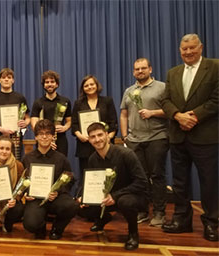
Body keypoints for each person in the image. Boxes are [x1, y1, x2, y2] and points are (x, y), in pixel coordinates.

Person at [161, 33, 218, 241]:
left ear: (201, 47)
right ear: (180, 51)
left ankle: (212, 222)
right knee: (180, 182)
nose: (188, 52)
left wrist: (194, 116)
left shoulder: (215, 67)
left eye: (192, 48)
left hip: (205, 136)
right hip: (178, 136)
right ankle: (181, 220)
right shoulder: (173, 73)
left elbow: (216, 99)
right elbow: (165, 100)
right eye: (184, 49)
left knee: (209, 182)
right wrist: (177, 116)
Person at [79, 122, 149, 250]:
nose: (97, 139)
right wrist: (82, 197)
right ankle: (103, 218)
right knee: (80, 206)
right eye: (93, 137)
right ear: (89, 140)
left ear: (107, 135)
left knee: (125, 202)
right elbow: (90, 182)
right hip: (108, 198)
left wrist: (115, 196)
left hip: (132, 196)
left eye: (100, 135)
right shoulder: (92, 159)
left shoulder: (126, 154)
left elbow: (142, 182)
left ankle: (133, 233)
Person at [120, 58, 169, 226]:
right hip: (134, 140)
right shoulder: (129, 90)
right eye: (136, 69)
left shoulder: (162, 87)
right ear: (133, 72)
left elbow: (171, 111)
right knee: (140, 178)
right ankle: (142, 210)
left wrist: (152, 112)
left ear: (150, 69)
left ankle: (159, 212)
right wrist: (125, 136)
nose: (140, 71)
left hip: (157, 137)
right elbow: (124, 114)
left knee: (157, 176)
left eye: (143, 68)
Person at [22, 119, 79, 240]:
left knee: (72, 205)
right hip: (36, 199)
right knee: (30, 224)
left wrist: (58, 192)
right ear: (36, 137)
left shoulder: (61, 158)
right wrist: (25, 193)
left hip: (56, 198)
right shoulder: (27, 158)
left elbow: (70, 179)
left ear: (53, 137)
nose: (44, 137)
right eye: (41, 134)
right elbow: (22, 181)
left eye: (48, 134)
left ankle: (57, 229)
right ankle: (40, 227)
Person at [71, 75, 117, 191]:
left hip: (105, 145)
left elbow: (113, 122)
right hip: (85, 145)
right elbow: (74, 124)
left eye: (92, 84)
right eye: (86, 85)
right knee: (87, 174)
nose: (89, 87)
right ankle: (88, 199)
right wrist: (79, 135)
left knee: (107, 173)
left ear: (97, 86)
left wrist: (108, 138)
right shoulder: (78, 103)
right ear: (83, 88)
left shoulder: (107, 101)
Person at [0, 68, 30, 157]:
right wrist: (1, 129)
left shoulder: (20, 98)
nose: (6, 79)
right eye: (3, 77)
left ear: (13, 80)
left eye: (9, 77)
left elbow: (27, 118)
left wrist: (25, 123)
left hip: (15, 139)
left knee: (15, 165)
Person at [31, 70, 72, 156]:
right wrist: (45, 139)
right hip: (43, 140)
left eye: (52, 82)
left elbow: (69, 121)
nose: (49, 84)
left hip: (60, 140)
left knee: (60, 165)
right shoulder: (38, 102)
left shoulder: (65, 101)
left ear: (57, 84)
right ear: (44, 85)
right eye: (47, 82)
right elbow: (34, 123)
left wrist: (65, 127)